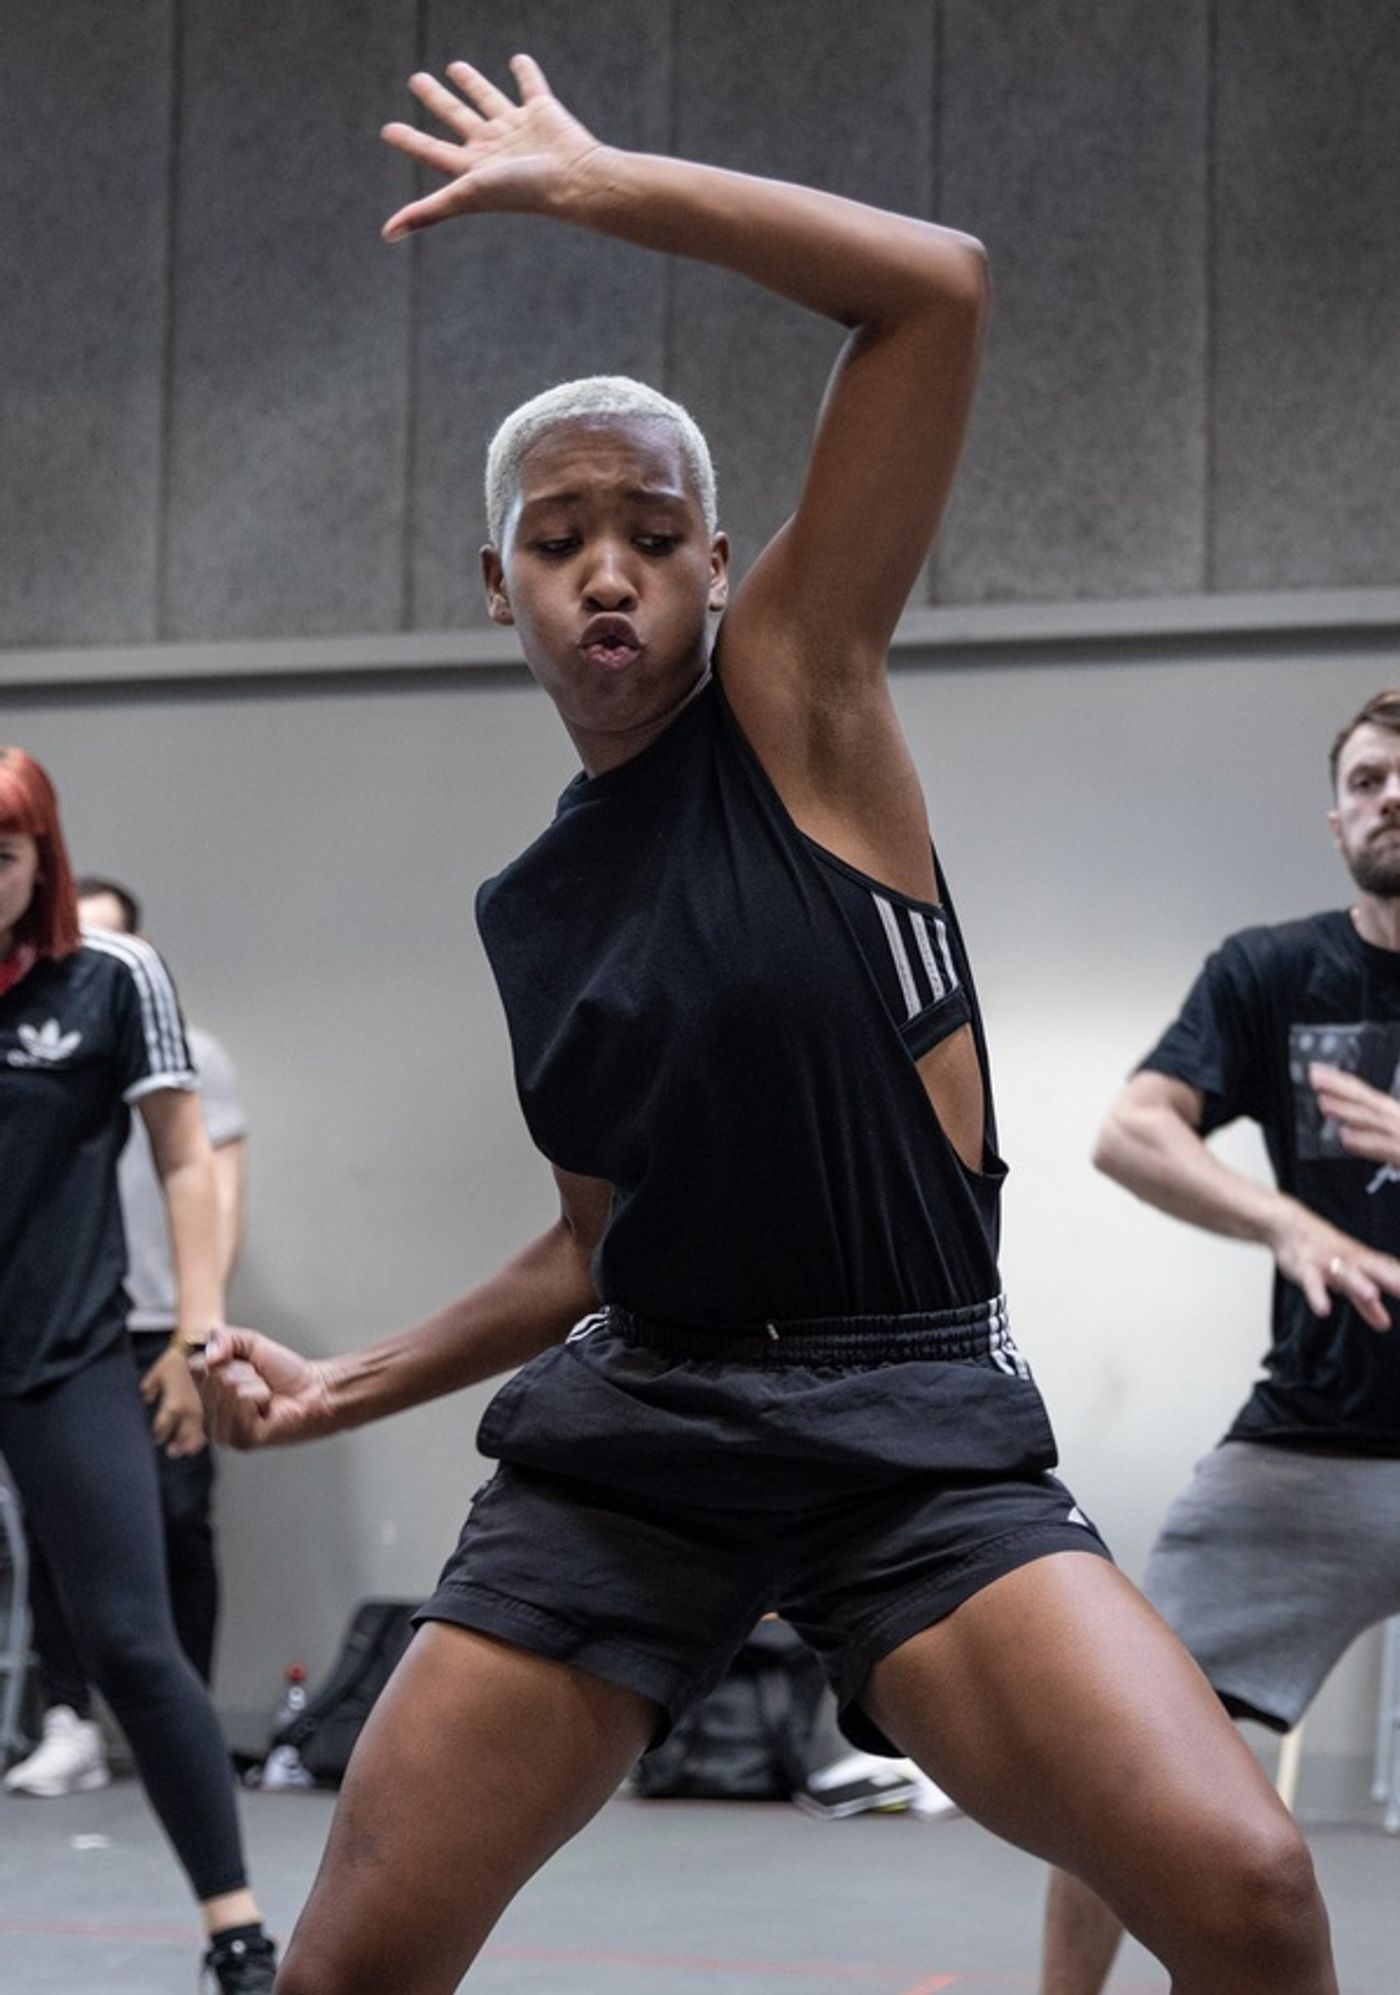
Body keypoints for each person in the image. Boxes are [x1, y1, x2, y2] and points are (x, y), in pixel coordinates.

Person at [199, 56, 1336, 1995]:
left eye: (651, 530)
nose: (609, 572)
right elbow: (589, 1241)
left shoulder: (797, 695)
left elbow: (938, 290)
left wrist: (595, 186)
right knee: (343, 1974)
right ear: (502, 588)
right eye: (559, 541)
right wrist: (340, 1384)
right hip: (642, 1437)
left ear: (718, 566)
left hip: (908, 1430)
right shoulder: (532, 908)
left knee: (1243, 1891)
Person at [1040, 688, 1400, 1995]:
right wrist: (1286, 1218)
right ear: (1335, 813)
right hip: (1309, 1452)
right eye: (1366, 778)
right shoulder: (1272, 971)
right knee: (1117, 1750)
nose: (1390, 796)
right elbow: (1131, 1129)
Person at [0, 753, 276, 1993]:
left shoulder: (114, 979)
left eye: (2, 860)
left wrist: (194, 1335)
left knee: (129, 1638)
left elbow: (183, 1158)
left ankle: (235, 1929)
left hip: (65, 1357)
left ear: (41, 865)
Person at [5, 876, 248, 1800]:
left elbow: (214, 1179)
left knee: (179, 1519)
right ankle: (70, 1719)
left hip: (159, 1316)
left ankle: (177, 1713)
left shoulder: (191, 1050)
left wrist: (202, 1328)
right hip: (65, 1319)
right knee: (52, 1522)